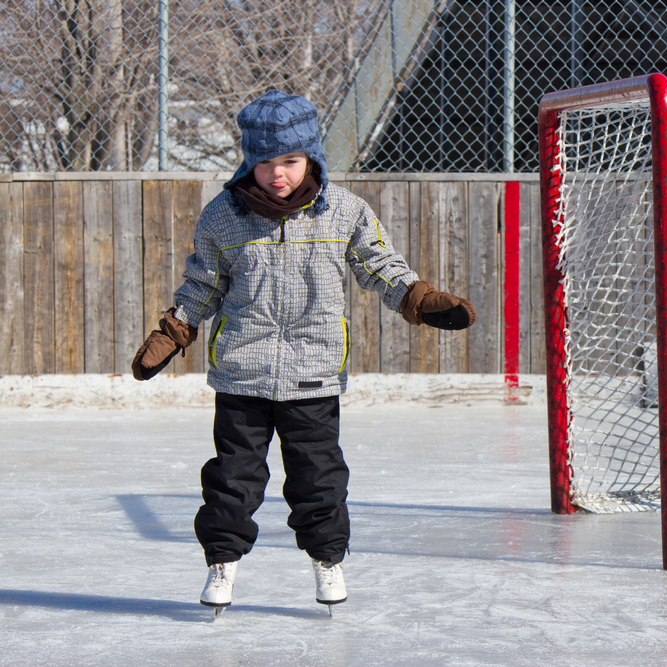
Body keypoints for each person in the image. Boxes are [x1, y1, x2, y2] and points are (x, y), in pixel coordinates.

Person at [130, 91, 475, 615]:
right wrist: (175, 329)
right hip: (242, 375)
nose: (277, 174)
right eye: (265, 162)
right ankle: (222, 563)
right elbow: (203, 284)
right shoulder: (224, 216)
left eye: (289, 161)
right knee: (232, 478)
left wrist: (418, 299)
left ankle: (327, 560)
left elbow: (379, 267)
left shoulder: (345, 213)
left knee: (318, 476)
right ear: (250, 160)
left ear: (310, 156)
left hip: (313, 373)